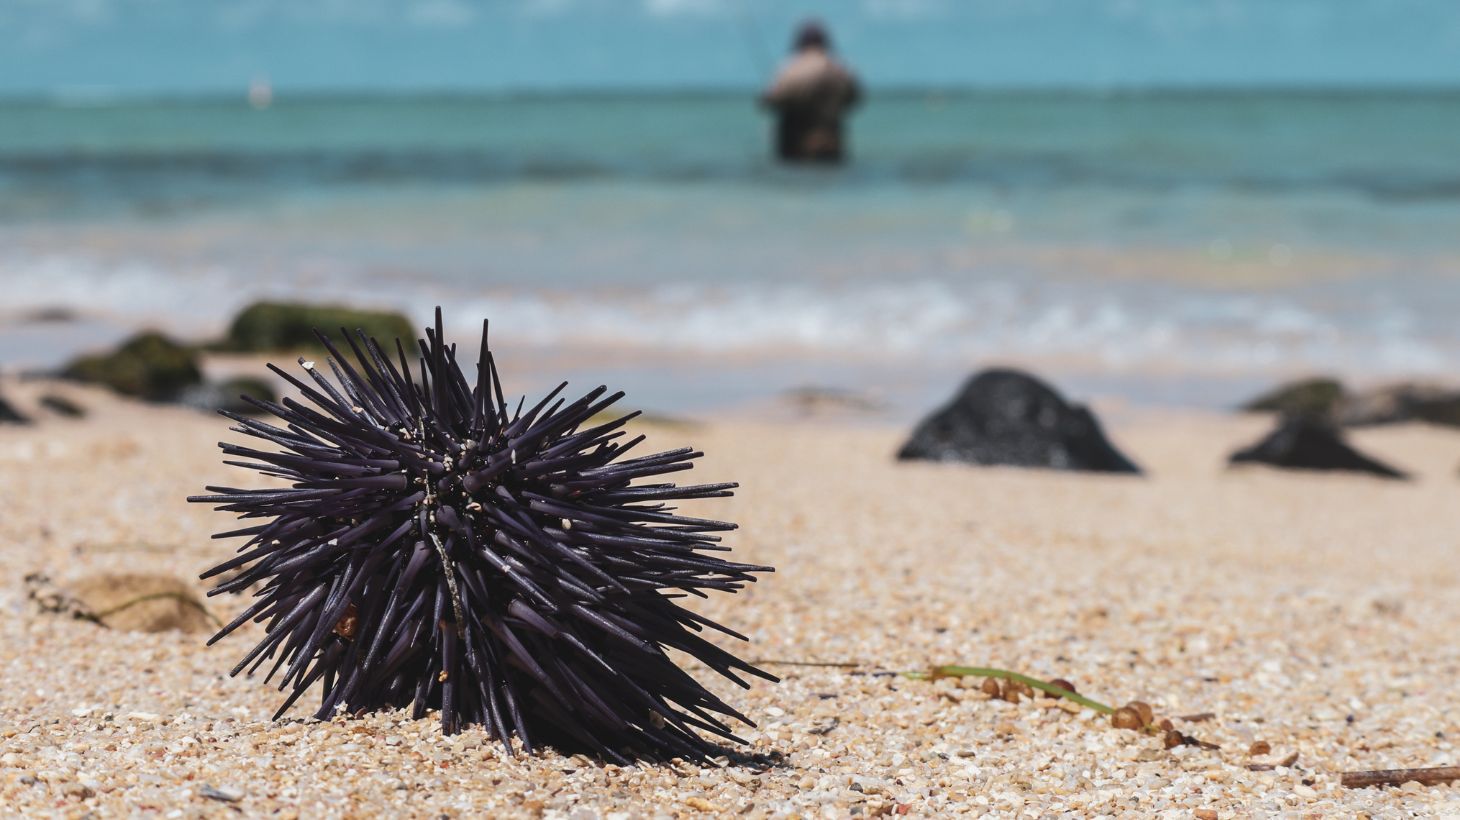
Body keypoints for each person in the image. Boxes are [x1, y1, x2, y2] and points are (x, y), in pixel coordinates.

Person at [759, 20, 861, 164]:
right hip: (832, 144)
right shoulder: (841, 71)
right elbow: (854, 99)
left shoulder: (791, 70)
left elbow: (770, 101)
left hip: (798, 147)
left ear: (800, 43)